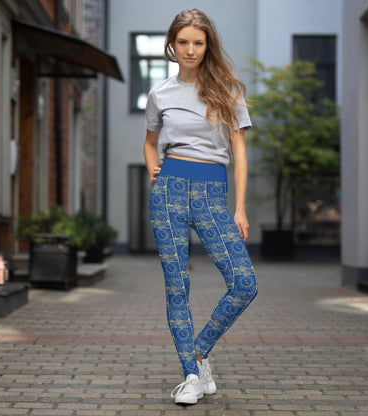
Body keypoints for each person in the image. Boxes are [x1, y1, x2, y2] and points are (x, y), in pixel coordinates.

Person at [143, 9, 258, 405]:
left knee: (244, 283)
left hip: (212, 194)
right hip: (168, 193)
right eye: (183, 42)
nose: (190, 49)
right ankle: (191, 377)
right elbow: (150, 142)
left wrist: (239, 207)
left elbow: (239, 152)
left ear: (208, 46)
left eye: (198, 42)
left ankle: (199, 351)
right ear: (172, 45)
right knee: (178, 288)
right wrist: (153, 172)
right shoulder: (160, 94)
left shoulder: (228, 90)